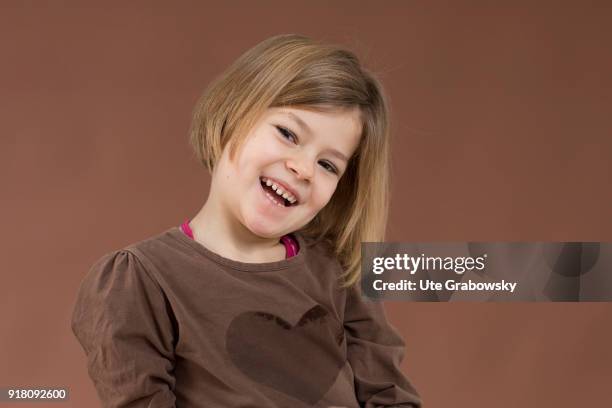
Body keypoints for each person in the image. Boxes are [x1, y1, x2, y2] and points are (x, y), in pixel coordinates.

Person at [71, 33, 422, 408]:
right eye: (287, 133)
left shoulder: (339, 273)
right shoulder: (139, 282)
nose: (302, 168)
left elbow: (390, 397)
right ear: (232, 114)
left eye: (327, 164)